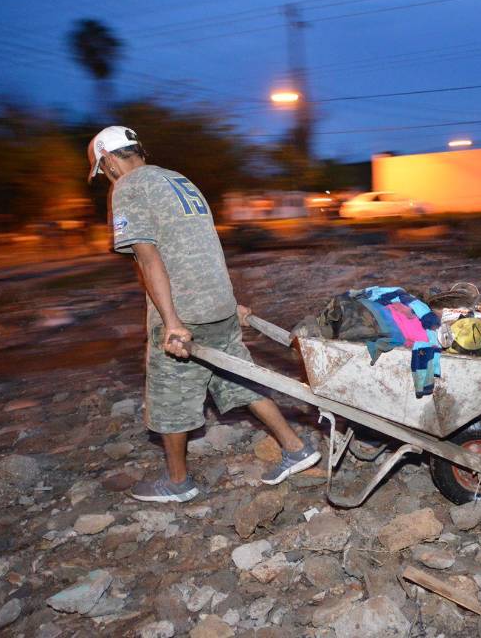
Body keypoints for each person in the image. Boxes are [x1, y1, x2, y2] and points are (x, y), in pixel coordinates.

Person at [87, 125, 320, 503]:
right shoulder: (179, 180)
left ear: (110, 161)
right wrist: (230, 302)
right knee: (240, 378)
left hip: (186, 312)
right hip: (217, 308)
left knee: (169, 395)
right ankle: (296, 447)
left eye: (103, 171)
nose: (105, 179)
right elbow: (205, 245)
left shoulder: (128, 188)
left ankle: (178, 483)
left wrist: (172, 323)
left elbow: (148, 259)